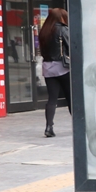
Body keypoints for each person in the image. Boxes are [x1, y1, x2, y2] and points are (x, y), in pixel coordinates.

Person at [38, 8, 70, 138]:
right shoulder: (62, 29)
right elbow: (71, 46)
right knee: (71, 98)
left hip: (48, 68)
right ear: (62, 17)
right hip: (63, 67)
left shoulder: (44, 31)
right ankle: (79, 125)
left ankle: (49, 126)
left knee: (52, 99)